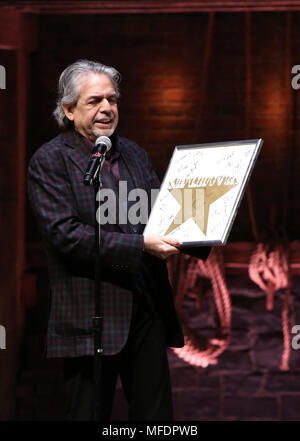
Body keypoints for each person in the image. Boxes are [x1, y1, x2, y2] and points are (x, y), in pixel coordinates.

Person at [27, 59, 185, 421]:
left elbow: (163, 212)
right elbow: (64, 235)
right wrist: (141, 246)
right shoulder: (50, 160)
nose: (107, 108)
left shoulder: (133, 153)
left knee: (156, 420)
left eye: (112, 100)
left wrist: (205, 221)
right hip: (90, 316)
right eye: (94, 101)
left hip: (146, 310)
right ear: (68, 110)